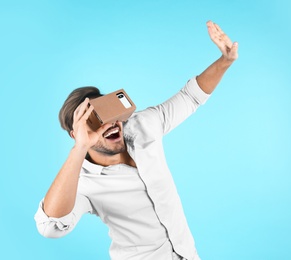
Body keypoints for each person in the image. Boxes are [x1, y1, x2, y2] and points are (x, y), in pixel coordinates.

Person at [34, 21, 238, 260]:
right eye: (92, 121)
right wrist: (81, 146)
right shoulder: (83, 183)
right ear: (75, 134)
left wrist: (225, 61)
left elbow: (191, 97)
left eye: (105, 112)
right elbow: (49, 227)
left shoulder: (143, 125)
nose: (108, 124)